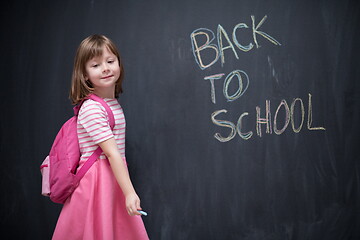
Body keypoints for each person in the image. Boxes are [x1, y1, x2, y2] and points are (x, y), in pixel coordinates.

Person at [52, 34, 149, 240]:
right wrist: (130, 192)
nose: (105, 68)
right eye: (95, 65)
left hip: (111, 177)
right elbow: (112, 154)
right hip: (98, 182)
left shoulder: (110, 104)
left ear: (119, 64)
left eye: (110, 61)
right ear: (84, 74)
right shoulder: (92, 108)